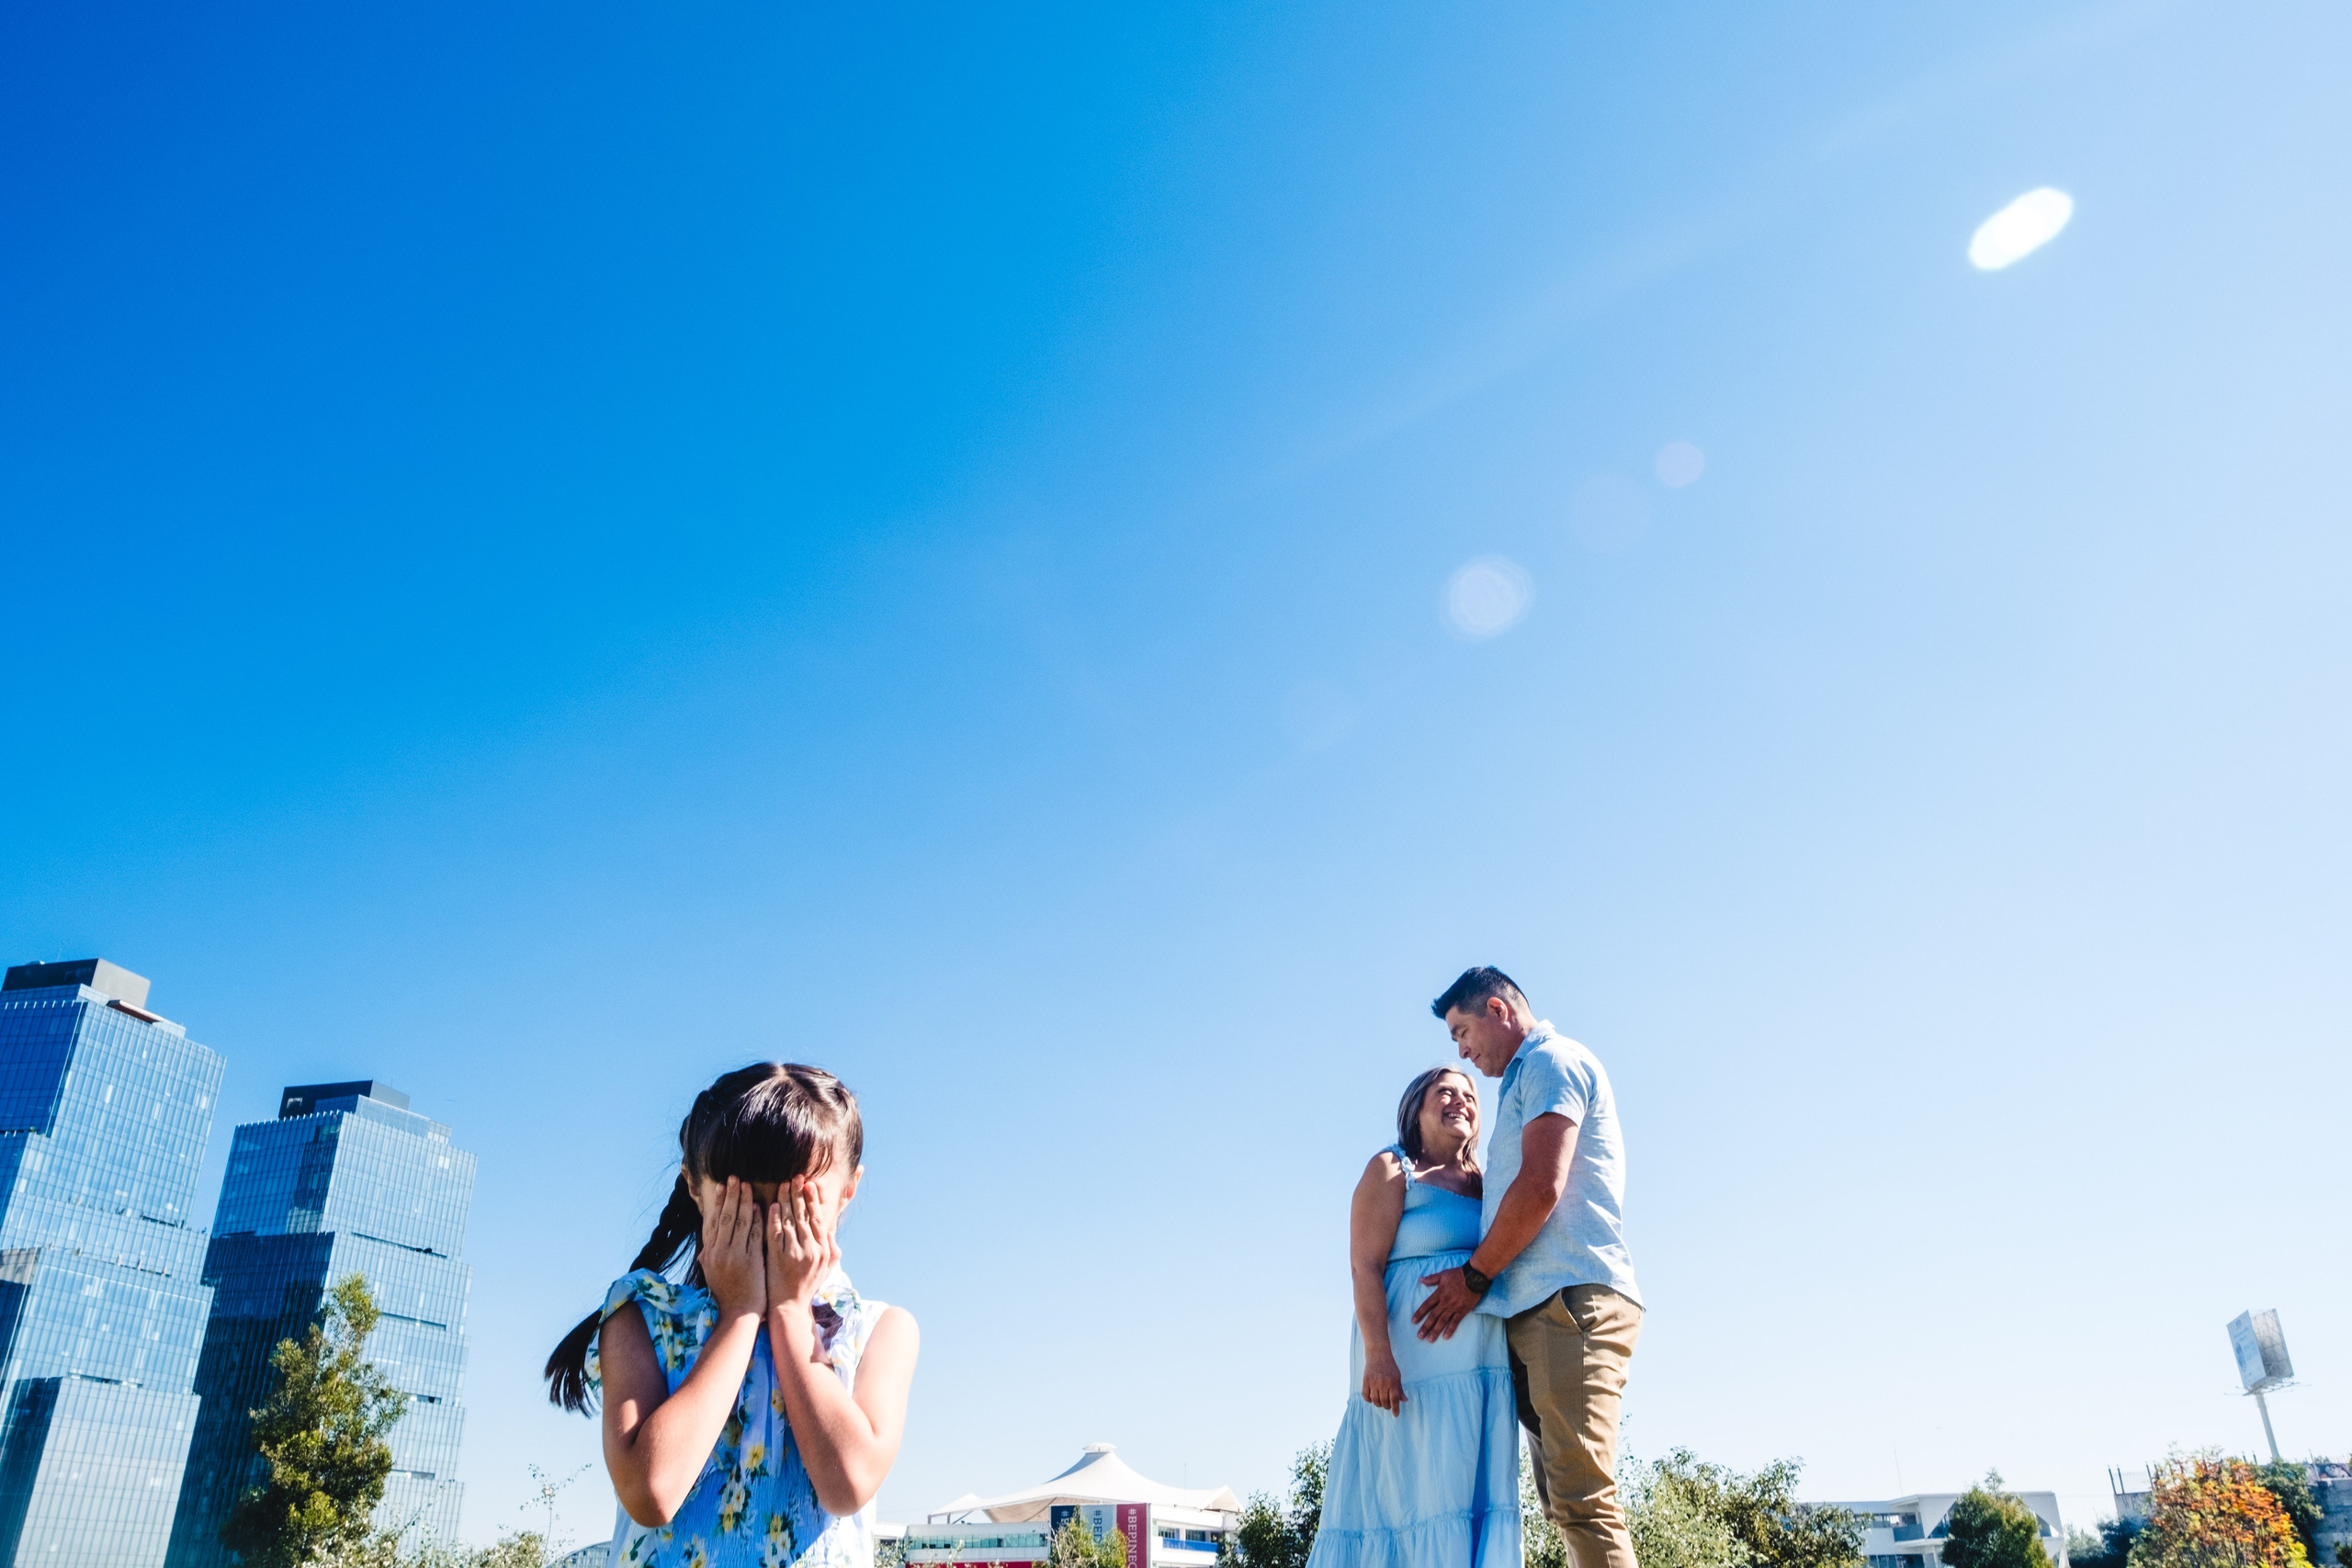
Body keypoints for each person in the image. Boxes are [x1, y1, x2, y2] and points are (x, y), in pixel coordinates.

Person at [544, 1063, 920, 1568]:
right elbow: (652, 1492)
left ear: (847, 1190)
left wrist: (789, 1311)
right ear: (695, 1189)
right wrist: (739, 1315)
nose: (767, 1227)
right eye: (743, 1201)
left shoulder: (878, 1330)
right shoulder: (640, 1316)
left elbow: (847, 1482)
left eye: (796, 1200)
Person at [1411, 967, 1642, 1568]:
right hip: (1544, 1309)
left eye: (1463, 1030)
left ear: (1498, 1008)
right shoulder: (1526, 1077)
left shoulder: (1549, 1061)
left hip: (1570, 1302)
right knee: (1565, 1504)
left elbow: (1541, 1186)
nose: (1461, 1048)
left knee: (1583, 1500)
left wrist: (1475, 1277)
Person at [1306, 1066, 1521, 1568]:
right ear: (1415, 1108)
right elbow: (1364, 1266)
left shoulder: (1487, 1185)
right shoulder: (1392, 1168)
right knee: (1403, 1494)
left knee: (1465, 1490)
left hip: (1479, 1372)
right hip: (1405, 1371)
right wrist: (1379, 1356)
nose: (1461, 1101)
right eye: (1445, 1091)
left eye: (1470, 1094)